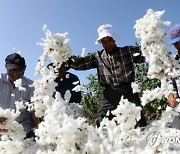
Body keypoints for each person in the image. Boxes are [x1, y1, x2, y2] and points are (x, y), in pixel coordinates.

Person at [67, 24, 147, 127]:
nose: (107, 44)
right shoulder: (97, 56)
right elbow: (79, 63)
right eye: (104, 41)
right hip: (109, 92)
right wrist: (63, 54)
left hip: (129, 91)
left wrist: (152, 42)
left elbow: (147, 53)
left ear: (114, 39)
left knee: (138, 120)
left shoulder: (128, 51)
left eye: (109, 40)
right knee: (102, 122)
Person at [0, 53, 36, 138]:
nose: (15, 74)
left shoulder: (31, 86)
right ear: (6, 68)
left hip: (22, 131)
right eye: (11, 70)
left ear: (24, 69)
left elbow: (35, 111)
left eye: (18, 70)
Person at [167, 23, 180, 129]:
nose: (178, 45)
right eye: (175, 43)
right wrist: (171, 94)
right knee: (173, 133)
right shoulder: (173, 60)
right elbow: (171, 83)